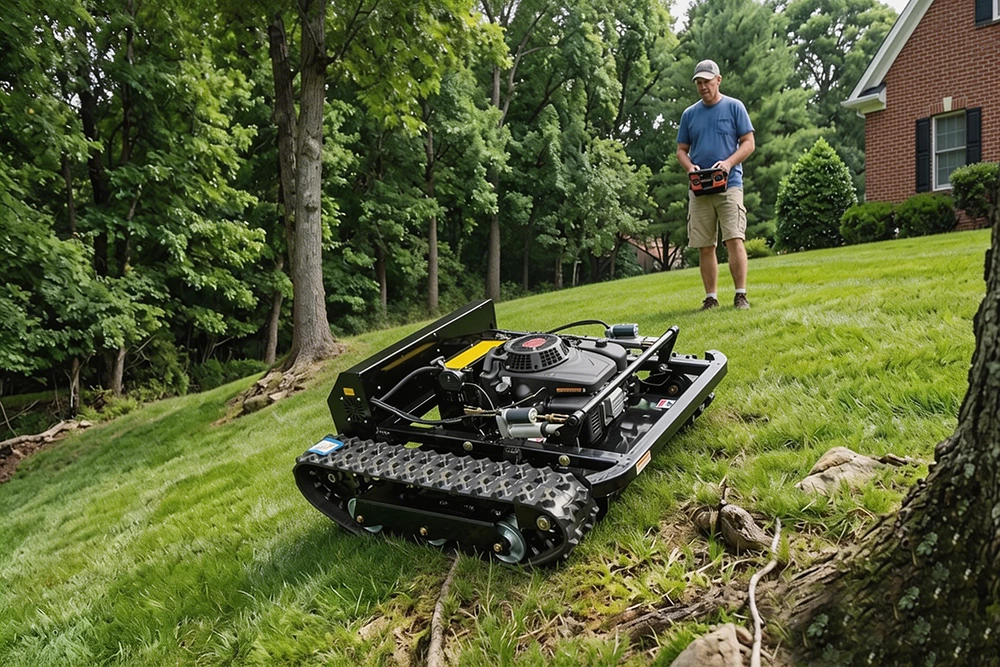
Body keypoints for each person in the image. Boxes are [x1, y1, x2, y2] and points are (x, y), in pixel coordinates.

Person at [676, 59, 755, 310]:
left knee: (734, 238)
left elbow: (748, 143)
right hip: (699, 187)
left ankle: (740, 295)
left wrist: (729, 163)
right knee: (705, 245)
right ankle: (711, 298)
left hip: (729, 183)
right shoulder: (689, 114)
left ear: (718, 80)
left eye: (707, 82)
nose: (703, 87)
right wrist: (690, 168)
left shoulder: (734, 107)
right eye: (699, 83)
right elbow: (681, 150)